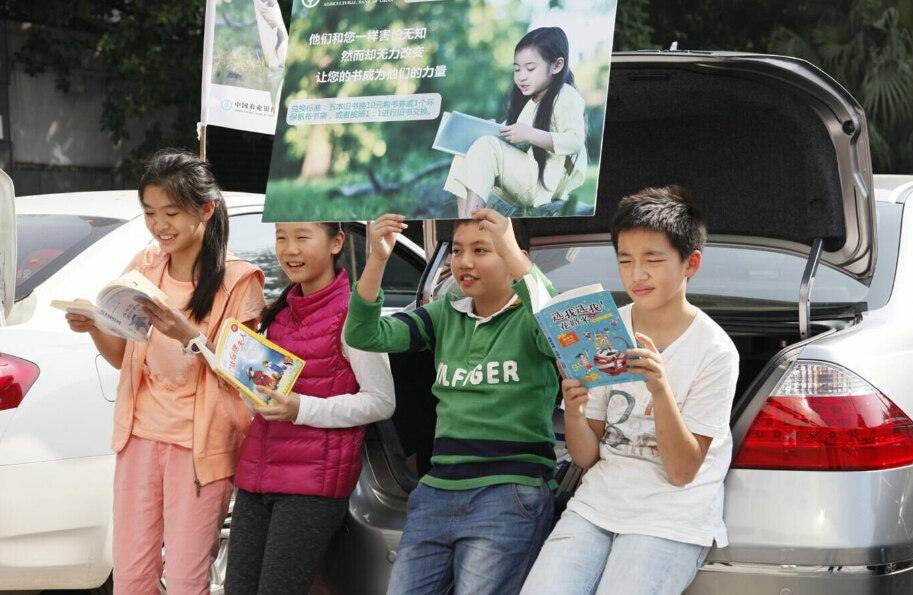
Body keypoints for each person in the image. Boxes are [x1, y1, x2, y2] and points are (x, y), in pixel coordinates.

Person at [519, 186, 740, 595]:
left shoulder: (715, 351)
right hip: (596, 506)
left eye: (653, 260)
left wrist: (660, 390)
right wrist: (574, 410)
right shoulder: (606, 330)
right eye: (625, 260)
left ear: (691, 263)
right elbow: (586, 456)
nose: (637, 274)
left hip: (671, 518)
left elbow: (682, 473)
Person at [65, 149, 266, 595]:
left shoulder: (239, 279)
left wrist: (189, 335)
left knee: (185, 581)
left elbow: (250, 376)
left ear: (206, 210)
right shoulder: (145, 265)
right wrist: (93, 326)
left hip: (199, 451)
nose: (160, 225)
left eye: (171, 213)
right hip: (138, 440)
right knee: (131, 578)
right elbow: (121, 356)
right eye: (150, 213)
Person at [345, 211, 560, 595]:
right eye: (457, 251)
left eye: (481, 250)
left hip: (508, 492)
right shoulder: (445, 314)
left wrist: (513, 252)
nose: (464, 262)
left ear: (515, 256)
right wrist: (377, 259)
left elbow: (562, 331)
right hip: (436, 491)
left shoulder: (533, 318)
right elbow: (364, 335)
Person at [225, 222, 395, 595]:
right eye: (281, 237)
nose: (289, 249)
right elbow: (271, 400)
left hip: (312, 487)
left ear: (336, 242)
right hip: (256, 477)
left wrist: (302, 408)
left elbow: (381, 400)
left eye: (302, 237)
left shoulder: (354, 314)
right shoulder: (280, 313)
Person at [444, 26, 588, 218]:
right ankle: (465, 220)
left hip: (543, 184)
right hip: (525, 177)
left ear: (557, 65)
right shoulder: (530, 100)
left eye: (530, 68)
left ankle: (473, 222)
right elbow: (513, 136)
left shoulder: (566, 95)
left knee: (485, 146)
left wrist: (530, 134)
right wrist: (492, 130)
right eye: (517, 69)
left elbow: (575, 141)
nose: (521, 76)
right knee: (467, 150)